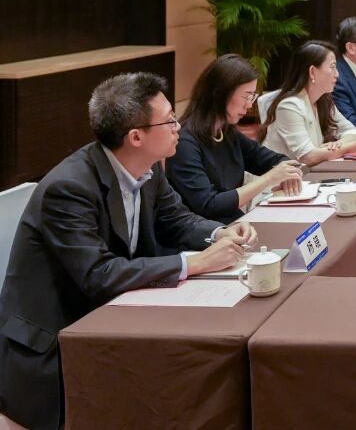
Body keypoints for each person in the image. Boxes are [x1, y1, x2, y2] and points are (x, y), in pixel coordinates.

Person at [0, 73, 257, 430]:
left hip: (111, 319)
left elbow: (177, 219)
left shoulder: (148, 168)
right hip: (54, 345)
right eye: (169, 120)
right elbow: (98, 275)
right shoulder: (69, 189)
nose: (178, 127)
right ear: (136, 137)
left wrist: (220, 232)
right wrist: (195, 263)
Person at [167, 54, 304, 224]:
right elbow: (209, 205)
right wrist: (269, 179)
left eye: (252, 97)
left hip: (235, 225)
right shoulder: (185, 143)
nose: (249, 104)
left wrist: (288, 172)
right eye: (246, 96)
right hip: (205, 231)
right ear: (221, 93)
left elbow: (271, 159)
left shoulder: (226, 132)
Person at [261, 40, 356, 165]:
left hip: (311, 172)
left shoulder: (323, 100)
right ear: (312, 72)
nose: (337, 74)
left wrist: (337, 145)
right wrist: (355, 146)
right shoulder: (289, 106)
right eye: (332, 67)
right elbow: (308, 156)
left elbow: (353, 131)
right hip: (285, 175)